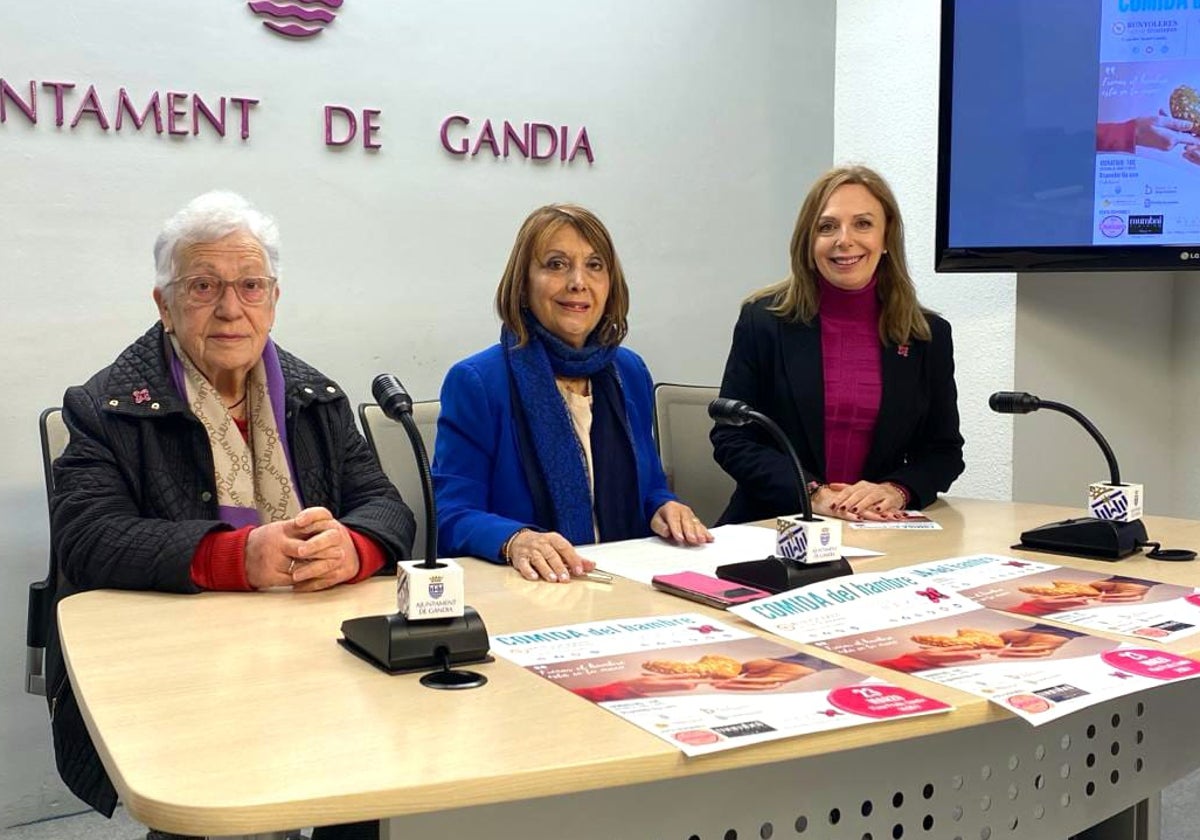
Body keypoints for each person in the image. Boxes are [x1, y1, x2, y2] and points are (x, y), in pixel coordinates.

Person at [47, 191, 414, 840]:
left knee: (376, 783)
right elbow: (88, 540)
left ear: (274, 298)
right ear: (163, 303)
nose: (230, 308)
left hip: (320, 648)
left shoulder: (316, 395)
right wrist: (236, 556)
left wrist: (354, 547)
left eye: (250, 285)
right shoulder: (103, 405)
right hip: (179, 674)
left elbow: (384, 505)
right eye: (202, 286)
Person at [432, 203, 711, 583]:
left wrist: (664, 507)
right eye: (556, 264)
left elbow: (650, 486)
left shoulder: (629, 372)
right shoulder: (477, 381)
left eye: (595, 265)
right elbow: (451, 514)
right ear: (524, 284)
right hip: (530, 592)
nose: (578, 281)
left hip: (625, 584)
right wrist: (515, 540)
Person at [711, 164, 964, 524]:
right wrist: (814, 494)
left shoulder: (928, 335)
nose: (844, 239)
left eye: (863, 224)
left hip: (877, 529)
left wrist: (895, 490)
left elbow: (943, 452)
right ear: (808, 242)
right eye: (827, 227)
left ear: (887, 237)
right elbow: (733, 439)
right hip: (772, 524)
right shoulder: (764, 320)